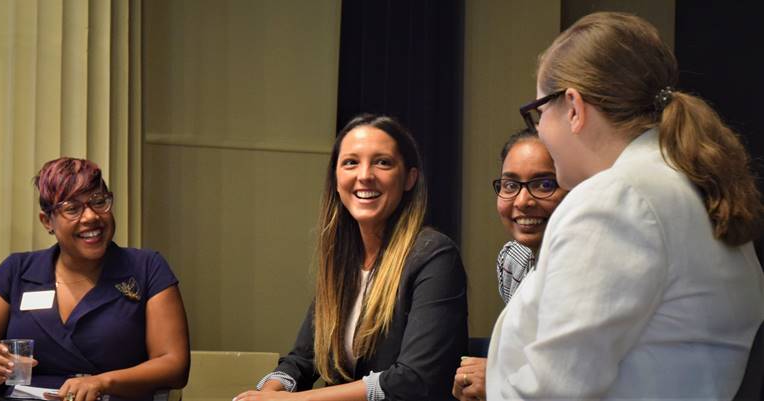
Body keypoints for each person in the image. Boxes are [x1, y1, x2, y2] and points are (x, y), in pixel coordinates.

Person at [486, 12, 764, 399]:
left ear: (572, 107)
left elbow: (554, 390)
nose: (540, 129)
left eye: (538, 113)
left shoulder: (615, 202)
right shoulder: (689, 185)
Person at [234, 114, 468, 401]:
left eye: (382, 162)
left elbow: (413, 380)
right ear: (336, 178)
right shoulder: (343, 262)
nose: (365, 174)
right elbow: (300, 361)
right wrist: (268, 392)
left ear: (409, 178)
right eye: (351, 162)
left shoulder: (434, 255)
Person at [0, 157, 190, 401]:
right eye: (72, 209)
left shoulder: (146, 268)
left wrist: (103, 382)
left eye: (99, 202)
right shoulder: (17, 270)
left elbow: (174, 365)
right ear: (47, 221)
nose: (91, 217)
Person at [452, 129, 568, 401]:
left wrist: (498, 377)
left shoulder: (587, 266)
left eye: (544, 184)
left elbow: (571, 374)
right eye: (510, 185)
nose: (523, 201)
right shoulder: (512, 259)